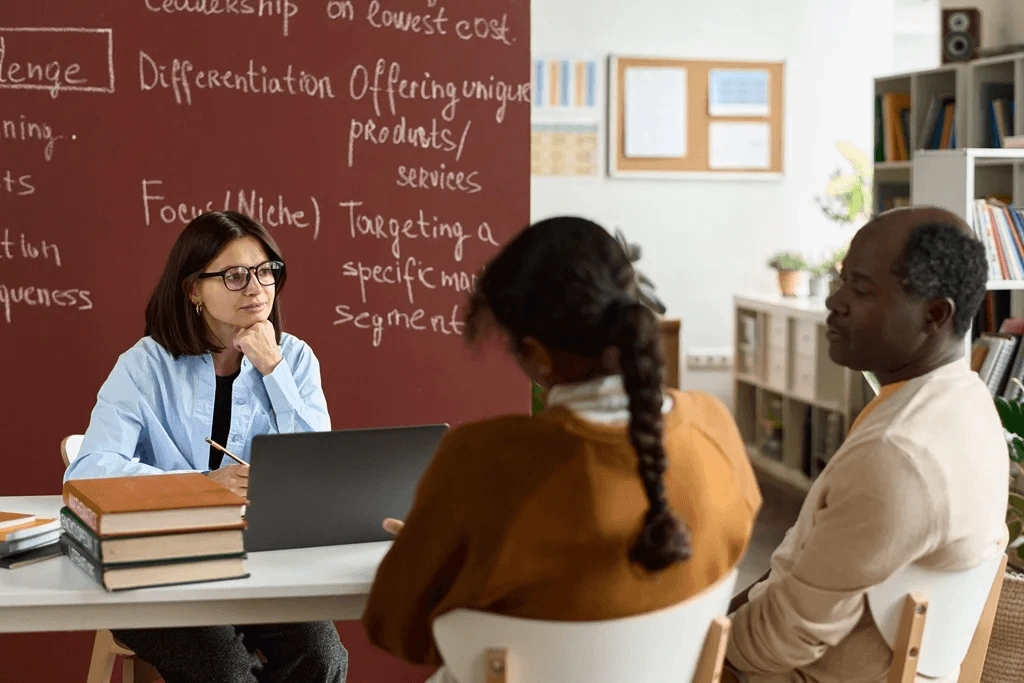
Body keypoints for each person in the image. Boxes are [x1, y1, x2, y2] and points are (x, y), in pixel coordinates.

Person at [362, 216, 763, 671]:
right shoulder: (712, 425)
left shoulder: (481, 462)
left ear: (537, 354)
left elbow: (395, 629)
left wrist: (428, 544)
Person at [725, 207, 1009, 683]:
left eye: (861, 290)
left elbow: (782, 638)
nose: (835, 304)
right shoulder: (967, 401)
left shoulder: (899, 454)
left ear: (935, 314)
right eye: (841, 283)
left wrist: (701, 646)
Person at [64, 212, 347, 683]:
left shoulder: (294, 359)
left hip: (258, 567)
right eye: (235, 276)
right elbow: (87, 473)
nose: (256, 289)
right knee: (224, 672)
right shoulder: (144, 366)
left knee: (323, 657)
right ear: (194, 288)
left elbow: (317, 472)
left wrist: (273, 370)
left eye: (265, 271)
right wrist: (198, 487)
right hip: (155, 569)